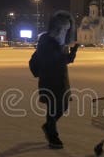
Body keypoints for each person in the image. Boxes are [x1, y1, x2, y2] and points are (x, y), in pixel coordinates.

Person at [33, 11, 79, 149]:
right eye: (63, 28)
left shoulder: (62, 43)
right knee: (53, 109)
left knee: (63, 106)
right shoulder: (46, 40)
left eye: (67, 28)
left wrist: (73, 52)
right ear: (56, 27)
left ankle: (48, 126)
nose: (64, 31)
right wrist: (68, 55)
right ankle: (52, 135)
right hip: (49, 79)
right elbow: (53, 60)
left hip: (62, 79)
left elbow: (64, 61)